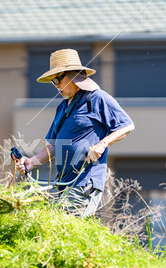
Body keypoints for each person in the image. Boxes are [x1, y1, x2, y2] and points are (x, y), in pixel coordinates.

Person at [15, 49, 134, 217]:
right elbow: (53, 145)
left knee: (62, 227)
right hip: (64, 185)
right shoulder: (62, 107)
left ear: (73, 75)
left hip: (85, 181)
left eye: (58, 79)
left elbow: (127, 126)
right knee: (57, 231)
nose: (56, 85)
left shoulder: (97, 99)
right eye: (52, 81)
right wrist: (31, 163)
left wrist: (102, 145)